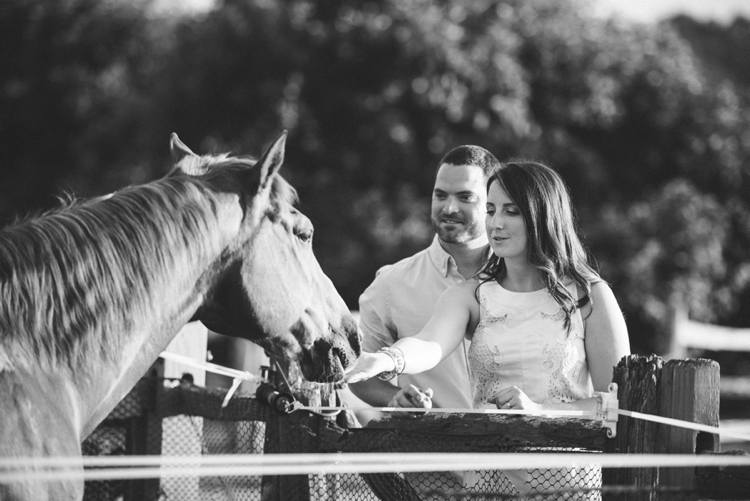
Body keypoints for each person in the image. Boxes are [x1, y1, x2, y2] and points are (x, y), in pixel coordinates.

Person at [347, 160, 631, 496]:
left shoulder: (590, 294)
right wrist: (386, 360)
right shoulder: (473, 294)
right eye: (491, 210)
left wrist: (541, 412)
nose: (495, 224)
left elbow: (615, 403)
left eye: (511, 211)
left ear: (543, 216)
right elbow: (429, 343)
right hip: (487, 484)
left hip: (566, 485)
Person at [348, 145, 500, 413]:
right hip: (435, 448)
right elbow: (361, 373)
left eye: (465, 197)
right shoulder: (389, 285)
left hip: (516, 447)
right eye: (440, 195)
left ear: (493, 202)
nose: (449, 208)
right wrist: (395, 397)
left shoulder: (524, 278)